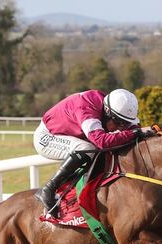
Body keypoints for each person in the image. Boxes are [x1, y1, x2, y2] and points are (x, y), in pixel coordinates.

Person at [33, 88, 152, 216]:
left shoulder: (115, 107)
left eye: (124, 124)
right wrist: (134, 133)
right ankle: (48, 189)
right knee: (87, 148)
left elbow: (134, 129)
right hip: (47, 137)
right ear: (107, 114)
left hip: (71, 135)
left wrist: (145, 131)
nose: (120, 128)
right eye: (118, 123)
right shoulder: (87, 108)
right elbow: (101, 141)